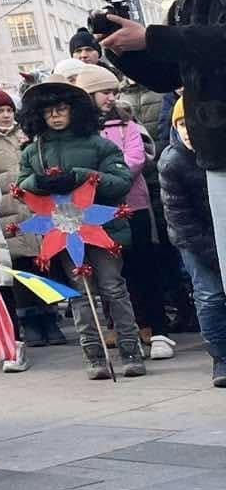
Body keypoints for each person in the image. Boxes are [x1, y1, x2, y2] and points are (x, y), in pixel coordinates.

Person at [16, 77, 142, 379]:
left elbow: (122, 182)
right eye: (49, 112)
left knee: (113, 287)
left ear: (75, 110)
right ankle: (94, 356)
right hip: (64, 233)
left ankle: (130, 350)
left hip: (104, 229)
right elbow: (22, 187)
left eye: (61, 109)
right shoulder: (34, 152)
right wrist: (39, 183)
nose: (55, 116)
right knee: (80, 294)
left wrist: (81, 176)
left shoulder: (99, 144)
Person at [77, 65, 175, 359]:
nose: (111, 98)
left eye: (114, 92)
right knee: (110, 272)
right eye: (105, 92)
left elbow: (135, 158)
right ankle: (122, 326)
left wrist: (104, 178)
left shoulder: (127, 123)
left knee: (144, 267)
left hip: (134, 205)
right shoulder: (82, 131)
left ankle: (157, 329)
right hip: (98, 211)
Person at [0, 90, 56, 354]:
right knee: (20, 268)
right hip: (7, 211)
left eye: (9, 110)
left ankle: (50, 316)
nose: (5, 115)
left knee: (42, 263)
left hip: (34, 208)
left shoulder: (25, 134)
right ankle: (30, 320)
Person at [158, 97, 226, 386]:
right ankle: (221, 357)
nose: (187, 130)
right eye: (181, 124)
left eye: (192, 123)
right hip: (195, 240)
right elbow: (180, 218)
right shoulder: (172, 161)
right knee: (210, 295)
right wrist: (215, 254)